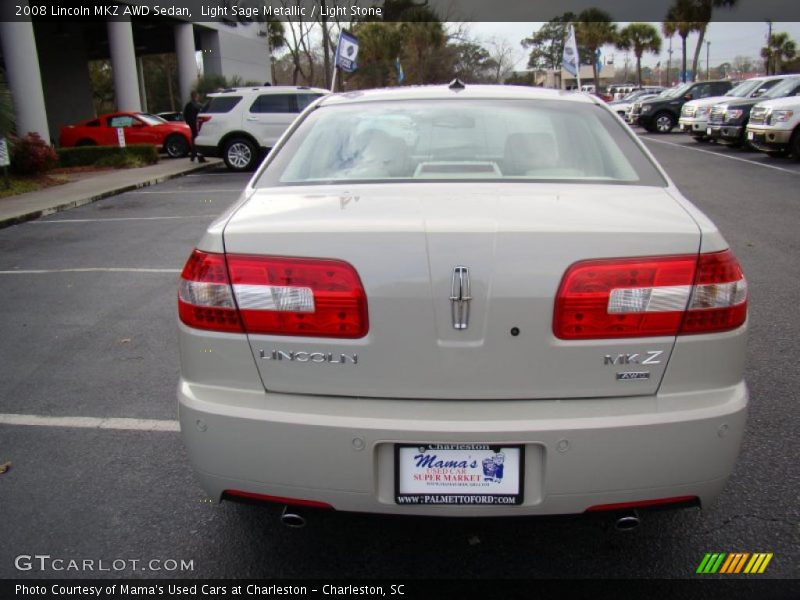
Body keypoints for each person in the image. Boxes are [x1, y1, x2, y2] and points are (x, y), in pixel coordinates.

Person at [183, 91, 206, 163]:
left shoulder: (188, 105)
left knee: (194, 140)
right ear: (195, 96)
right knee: (198, 141)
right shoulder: (196, 105)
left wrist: (189, 123)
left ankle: (193, 156)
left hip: (193, 125)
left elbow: (185, 115)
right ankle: (200, 157)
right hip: (196, 125)